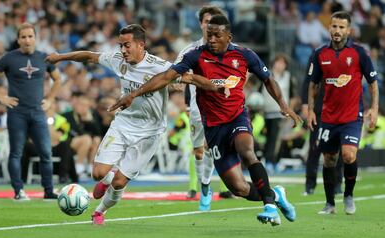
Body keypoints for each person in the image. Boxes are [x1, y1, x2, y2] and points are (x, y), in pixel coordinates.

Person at [111, 15, 300, 226]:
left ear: (228, 36)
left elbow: (268, 79)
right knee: (238, 188)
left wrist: (283, 105)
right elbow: (166, 76)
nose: (211, 39)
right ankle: (275, 195)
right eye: (209, 34)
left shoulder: (244, 55)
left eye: (217, 35)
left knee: (247, 150)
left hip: (237, 116)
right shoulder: (196, 56)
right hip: (213, 128)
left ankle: (270, 206)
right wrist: (134, 94)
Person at [45, 24, 223, 225]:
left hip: (150, 132)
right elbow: (88, 56)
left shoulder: (161, 67)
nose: (122, 50)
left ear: (141, 45)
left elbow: (190, 78)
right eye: (121, 45)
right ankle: (108, 178)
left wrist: (216, 86)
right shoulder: (118, 61)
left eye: (127, 45)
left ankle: (99, 211)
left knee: (120, 182)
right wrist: (60, 57)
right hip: (123, 124)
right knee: (98, 173)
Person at [307, 11, 379, 215]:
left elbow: (373, 83)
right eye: (334, 26)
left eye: (341, 27)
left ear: (349, 30)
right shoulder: (320, 53)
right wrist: (311, 110)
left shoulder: (359, 53)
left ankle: (348, 195)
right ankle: (330, 204)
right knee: (329, 159)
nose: (337, 31)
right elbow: (313, 84)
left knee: (348, 155)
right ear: (329, 28)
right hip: (329, 117)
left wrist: (373, 108)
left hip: (351, 116)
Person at [0, 22, 61, 200]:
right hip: (17, 113)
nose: (27, 40)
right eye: (23, 37)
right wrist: (0, 97)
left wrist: (50, 99)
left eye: (30, 36)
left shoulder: (44, 58)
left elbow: (57, 79)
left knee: (46, 153)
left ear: (35, 38)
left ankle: (48, 191)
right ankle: (18, 191)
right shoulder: (9, 58)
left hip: (38, 112)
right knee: (16, 153)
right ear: (18, 39)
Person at [175, 6, 232, 210]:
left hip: (222, 108)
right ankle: (203, 183)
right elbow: (175, 73)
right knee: (199, 151)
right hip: (197, 108)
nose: (210, 26)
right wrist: (178, 83)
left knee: (214, 148)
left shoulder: (228, 48)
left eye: (214, 23)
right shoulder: (190, 50)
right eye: (207, 22)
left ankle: (208, 187)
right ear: (201, 24)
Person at [301, 65, 343, 196]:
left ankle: (337, 184)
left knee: (338, 148)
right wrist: (306, 104)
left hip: (339, 110)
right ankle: (310, 185)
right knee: (315, 147)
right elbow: (308, 80)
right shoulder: (318, 54)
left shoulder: (348, 54)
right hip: (320, 110)